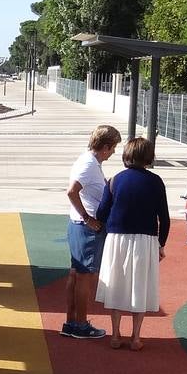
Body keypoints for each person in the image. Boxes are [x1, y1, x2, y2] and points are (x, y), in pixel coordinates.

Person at [94, 137, 170, 351]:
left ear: (127, 155)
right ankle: (136, 337)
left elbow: (101, 212)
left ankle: (115, 335)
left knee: (117, 284)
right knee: (140, 285)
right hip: (145, 240)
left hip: (117, 238)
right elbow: (164, 218)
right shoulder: (156, 181)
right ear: (148, 157)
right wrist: (161, 244)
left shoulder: (114, 180)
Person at [62, 125, 121, 339]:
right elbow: (72, 191)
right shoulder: (88, 165)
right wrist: (88, 218)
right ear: (105, 147)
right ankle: (80, 324)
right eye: (113, 148)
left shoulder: (89, 161)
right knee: (84, 276)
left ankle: (71, 321)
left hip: (79, 225)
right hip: (85, 228)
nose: (114, 152)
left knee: (76, 273)